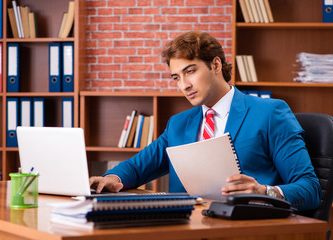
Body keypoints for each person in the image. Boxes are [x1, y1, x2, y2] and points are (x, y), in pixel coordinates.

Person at [90, 31, 321, 211]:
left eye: (190, 71)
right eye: (176, 78)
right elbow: (138, 167)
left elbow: (310, 189)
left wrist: (264, 191)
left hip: (248, 229)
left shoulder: (269, 113)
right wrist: (110, 179)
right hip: (189, 228)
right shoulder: (178, 124)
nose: (184, 85)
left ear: (216, 65)